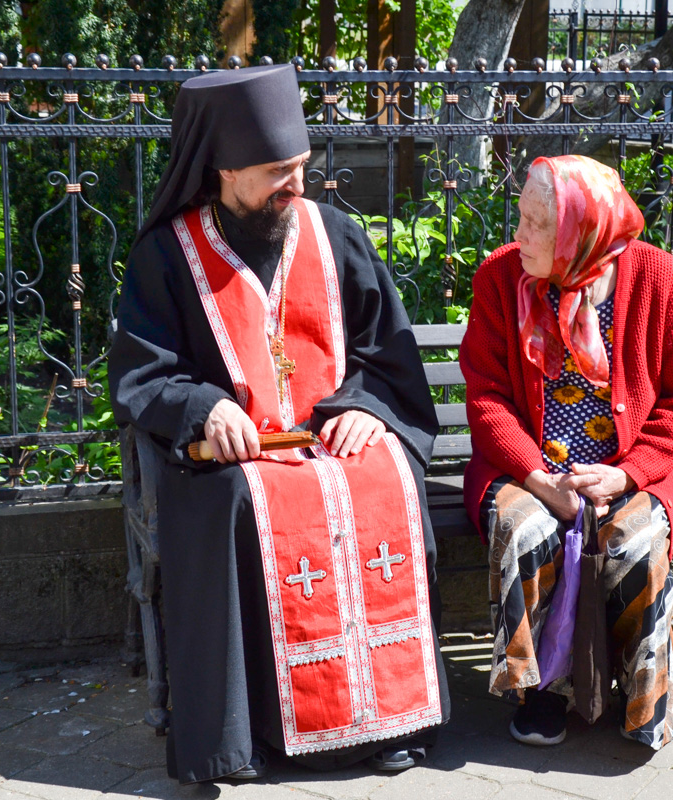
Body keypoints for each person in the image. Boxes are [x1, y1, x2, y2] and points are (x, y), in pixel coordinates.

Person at [109, 65, 449, 785]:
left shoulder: (337, 237)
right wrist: (204, 407)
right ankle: (250, 735)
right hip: (233, 458)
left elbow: (388, 356)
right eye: (276, 172)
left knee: (383, 479)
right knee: (238, 503)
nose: (296, 184)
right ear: (222, 170)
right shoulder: (165, 257)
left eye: (300, 166)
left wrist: (365, 407)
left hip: (329, 443)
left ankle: (387, 720)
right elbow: (142, 375)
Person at [460, 155, 673, 749]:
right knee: (525, 530)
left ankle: (642, 697)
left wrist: (627, 476)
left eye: (535, 224)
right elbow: (487, 398)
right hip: (523, 466)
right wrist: (537, 476)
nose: (517, 234)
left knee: (633, 539)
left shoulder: (657, 278)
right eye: (520, 217)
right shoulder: (500, 279)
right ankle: (537, 691)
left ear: (581, 230)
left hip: (624, 469)